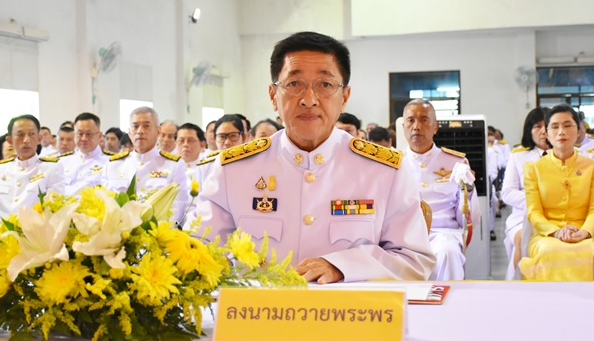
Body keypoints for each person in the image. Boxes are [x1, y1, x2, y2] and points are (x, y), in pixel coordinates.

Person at [197, 31, 436, 283]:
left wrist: (344, 266)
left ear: (344, 98)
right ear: (273, 96)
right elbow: (198, 249)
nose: (309, 100)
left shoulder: (385, 171)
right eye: (294, 84)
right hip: (261, 306)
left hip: (349, 308)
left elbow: (414, 260)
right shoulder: (233, 169)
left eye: (325, 85)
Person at [402, 99, 480, 280]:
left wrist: (468, 189)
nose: (416, 126)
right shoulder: (392, 163)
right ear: (403, 126)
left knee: (448, 253)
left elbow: (470, 218)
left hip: (443, 233)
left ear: (435, 127)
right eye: (411, 120)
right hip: (404, 235)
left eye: (424, 120)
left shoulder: (456, 163)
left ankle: (449, 299)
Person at [520, 104, 594, 281]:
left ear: (578, 131)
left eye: (568, 125)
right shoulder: (534, 169)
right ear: (547, 133)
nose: (561, 132)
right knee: (549, 251)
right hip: (547, 234)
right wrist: (556, 232)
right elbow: (534, 212)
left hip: (583, 232)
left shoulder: (591, 167)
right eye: (554, 126)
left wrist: (585, 232)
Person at [101, 107, 188, 221]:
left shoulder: (174, 165)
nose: (140, 131)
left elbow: (178, 207)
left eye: (146, 126)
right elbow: (105, 203)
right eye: (135, 126)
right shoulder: (113, 164)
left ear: (158, 131)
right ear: (129, 132)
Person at [501, 107, 550, 280]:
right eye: (537, 126)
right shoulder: (518, 156)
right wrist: (537, 200)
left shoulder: (567, 154)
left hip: (559, 215)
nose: (543, 131)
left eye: (547, 126)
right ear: (529, 130)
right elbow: (507, 193)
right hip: (524, 216)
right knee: (523, 239)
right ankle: (517, 286)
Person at [0, 115, 65, 222]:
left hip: (34, 230)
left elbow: (54, 209)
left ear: (39, 138)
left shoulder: (51, 168)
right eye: (20, 135)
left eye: (32, 134)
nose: (26, 140)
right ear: (10, 140)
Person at [59, 113, 112, 196]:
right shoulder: (62, 161)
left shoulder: (110, 162)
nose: (84, 138)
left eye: (89, 134)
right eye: (80, 134)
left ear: (99, 136)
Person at [194, 114, 246, 194]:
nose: (227, 142)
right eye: (221, 137)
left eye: (233, 136)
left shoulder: (253, 163)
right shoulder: (204, 167)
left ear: (244, 137)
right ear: (215, 139)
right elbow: (196, 198)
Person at [176, 122, 206, 190]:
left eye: (190, 141)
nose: (185, 144)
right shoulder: (169, 167)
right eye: (181, 140)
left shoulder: (206, 169)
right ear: (176, 144)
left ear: (202, 145)